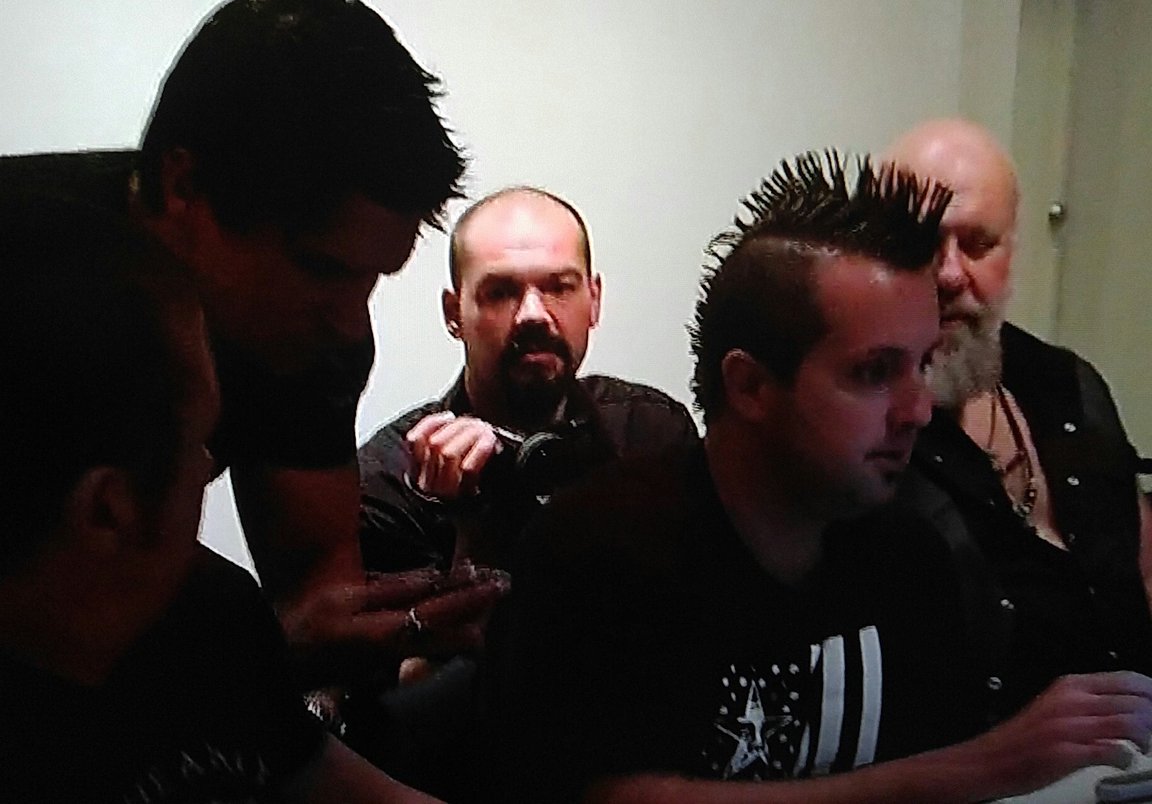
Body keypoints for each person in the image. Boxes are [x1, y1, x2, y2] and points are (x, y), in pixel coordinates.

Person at [485, 151, 1152, 804]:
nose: (917, 410)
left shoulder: (911, 560)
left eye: (921, 365)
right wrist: (981, 767)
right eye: (873, 372)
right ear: (750, 386)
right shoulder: (599, 555)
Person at [0, 192, 438, 803]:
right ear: (108, 510)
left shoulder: (213, 614)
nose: (209, 465)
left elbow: (323, 776)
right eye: (199, 441)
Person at [131, 0, 508, 689]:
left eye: (374, 278)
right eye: (321, 268)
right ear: (184, 191)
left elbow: (315, 614)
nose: (350, 321)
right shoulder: (5, 298)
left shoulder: (313, 343)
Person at [883, 117, 1152, 723]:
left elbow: (1141, 570)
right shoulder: (858, 427)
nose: (949, 274)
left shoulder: (1064, 383)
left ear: (1012, 249)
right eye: (920, 241)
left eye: (978, 243)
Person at [359, 185, 698, 575]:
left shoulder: (651, 433)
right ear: (454, 314)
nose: (533, 314)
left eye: (559, 287)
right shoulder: (392, 478)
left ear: (594, 301)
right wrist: (456, 522)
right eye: (500, 292)